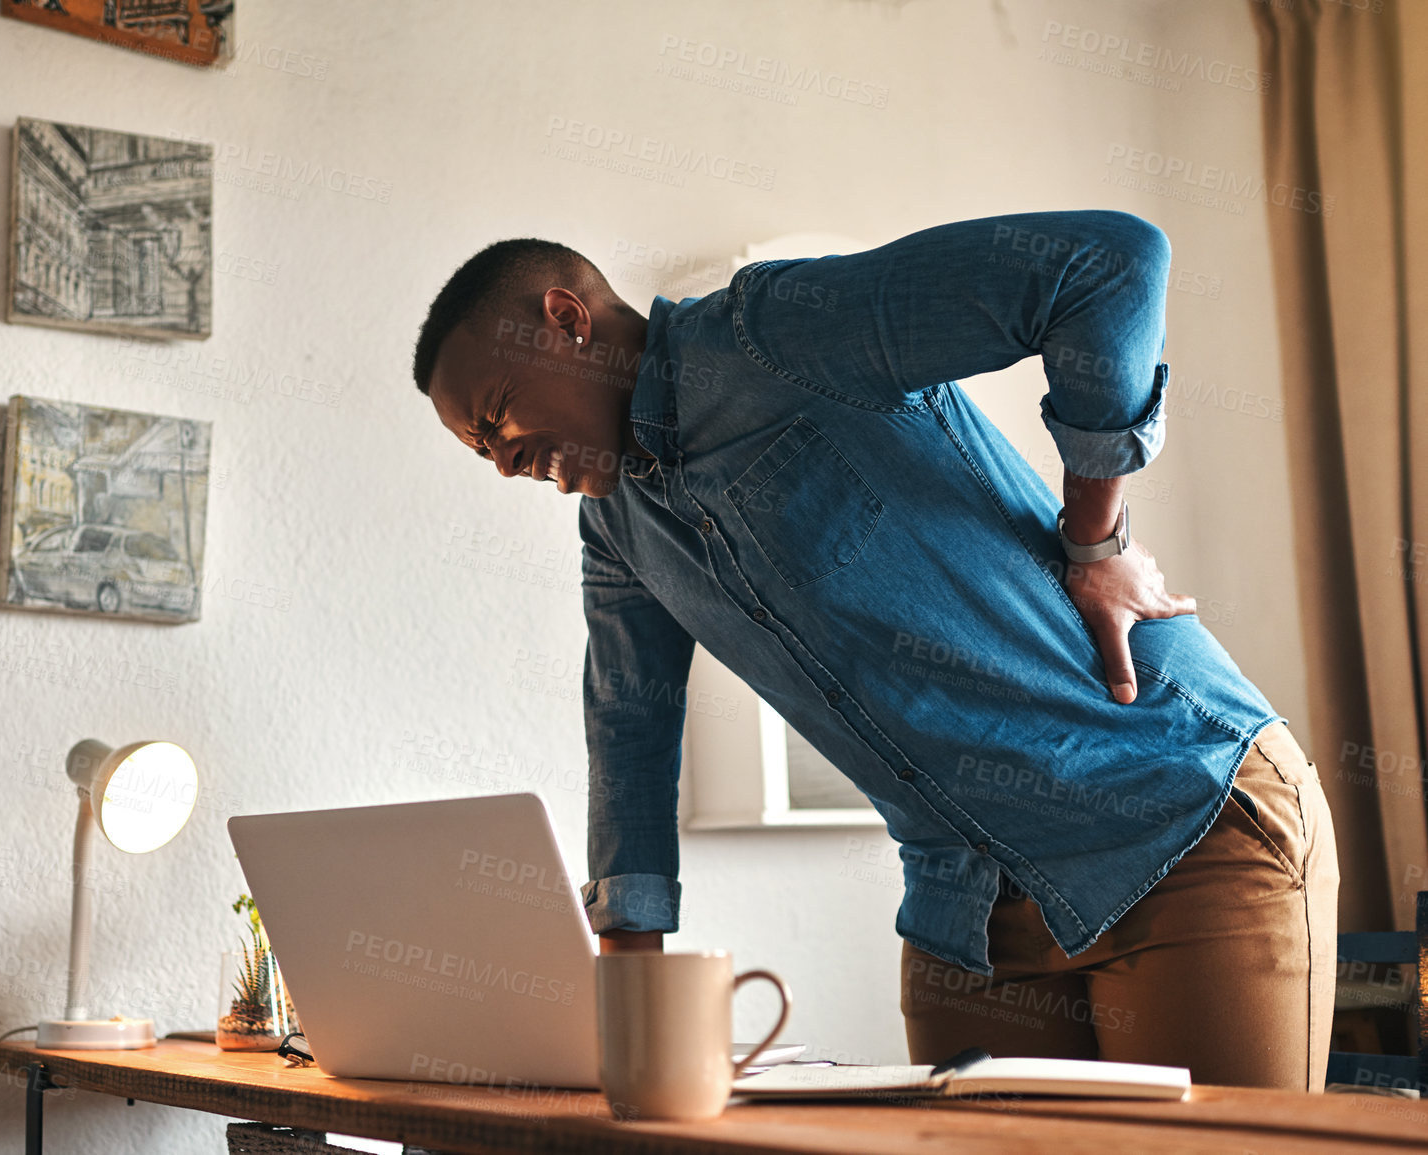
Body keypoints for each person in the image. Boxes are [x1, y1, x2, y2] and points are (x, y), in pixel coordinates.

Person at [412, 211, 1338, 1091]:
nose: (502, 461)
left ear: (566, 322)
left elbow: (1107, 263)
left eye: (498, 417)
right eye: (477, 449)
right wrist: (627, 1006)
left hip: (1175, 817)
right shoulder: (616, 527)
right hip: (965, 913)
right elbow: (629, 730)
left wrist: (1094, 538)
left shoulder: (770, 333)